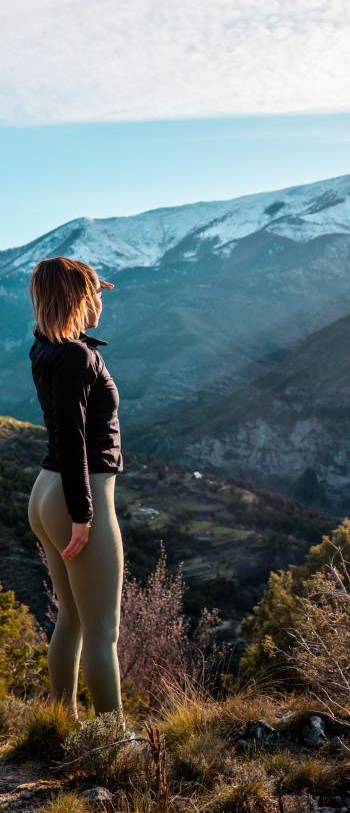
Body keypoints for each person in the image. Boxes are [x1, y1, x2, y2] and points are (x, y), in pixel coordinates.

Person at [27, 256, 126, 727]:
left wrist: (82, 281)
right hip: (76, 494)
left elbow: (62, 333)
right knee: (103, 632)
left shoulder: (47, 346)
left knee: (70, 619)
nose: (102, 301)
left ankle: (59, 725)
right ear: (78, 300)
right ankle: (114, 742)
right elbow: (72, 436)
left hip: (44, 492)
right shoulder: (77, 357)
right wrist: (84, 515)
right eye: (95, 294)